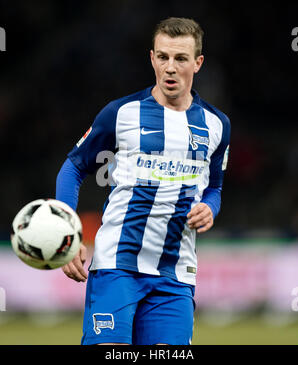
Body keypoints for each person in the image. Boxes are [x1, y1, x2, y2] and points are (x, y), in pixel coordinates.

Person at [56, 17, 230, 345]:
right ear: (152, 58)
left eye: (180, 59)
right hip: (116, 267)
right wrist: (68, 233)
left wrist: (209, 207)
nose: (170, 68)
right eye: (162, 57)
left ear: (198, 63)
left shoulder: (217, 125)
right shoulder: (121, 113)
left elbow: (215, 187)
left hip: (175, 276)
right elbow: (73, 168)